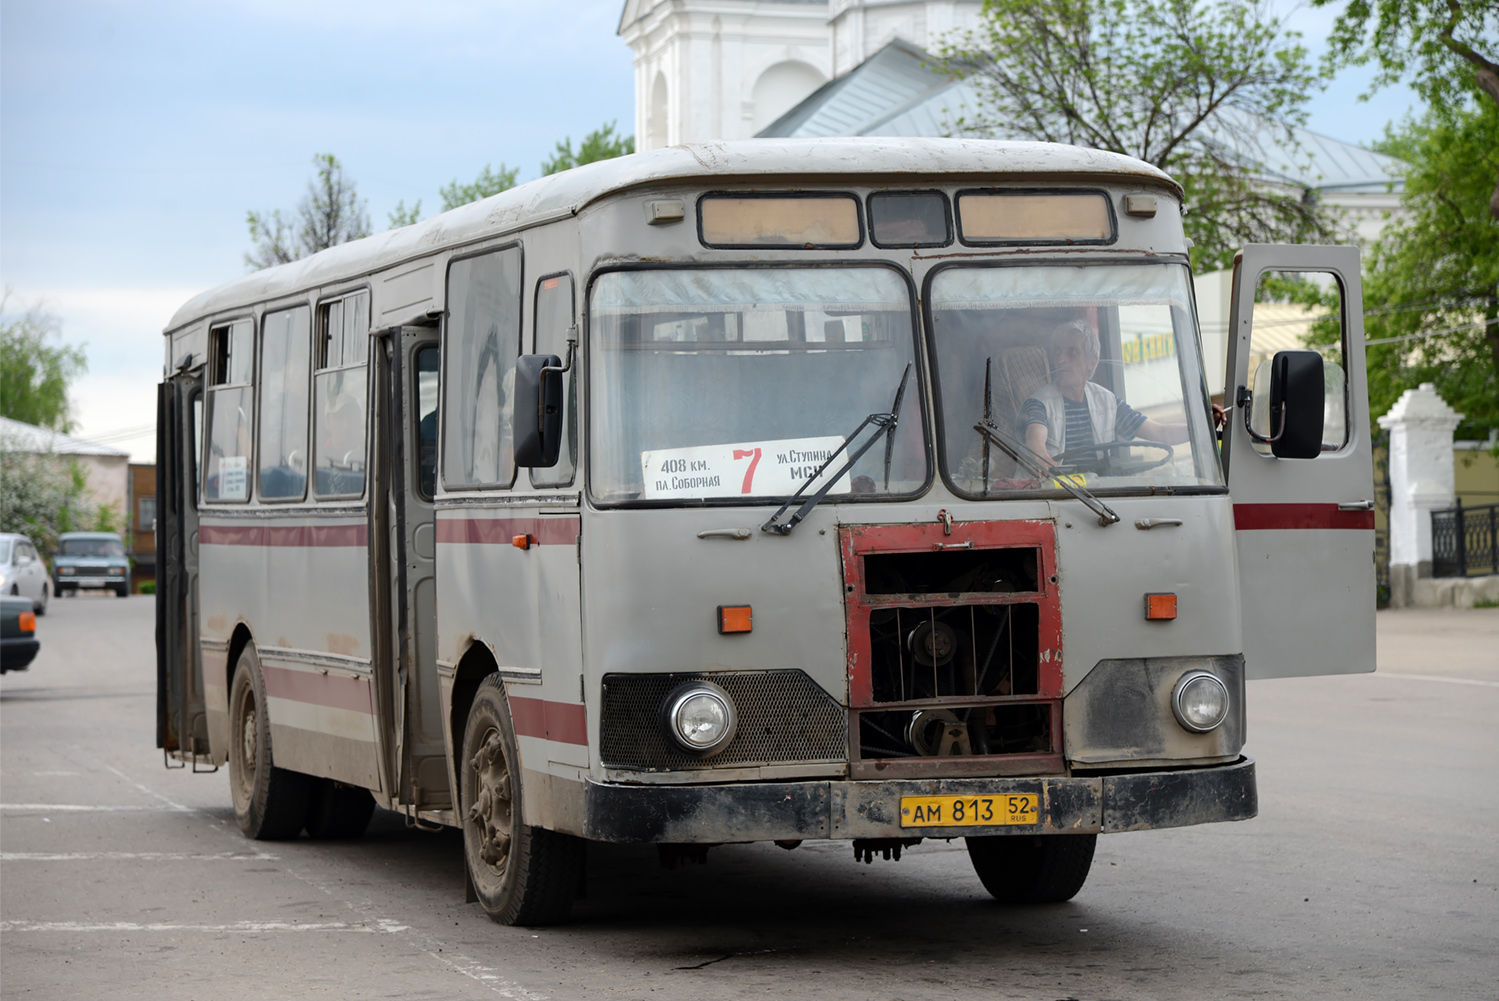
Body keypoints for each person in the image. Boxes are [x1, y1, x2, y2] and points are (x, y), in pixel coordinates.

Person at [1019, 319, 1208, 471]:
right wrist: (1047, 465)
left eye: (1072, 352)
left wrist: (1204, 425)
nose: (1061, 359)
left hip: (1094, 496)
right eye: (1058, 352)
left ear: (1092, 361)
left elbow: (1160, 433)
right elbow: (1034, 441)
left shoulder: (1106, 401)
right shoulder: (1038, 403)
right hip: (1052, 495)